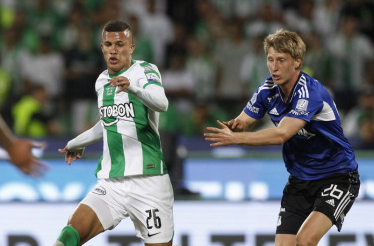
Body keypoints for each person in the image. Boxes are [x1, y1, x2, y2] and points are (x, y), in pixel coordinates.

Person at [204, 29, 360, 246]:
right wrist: (234, 127)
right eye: (270, 59)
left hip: (337, 176)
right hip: (299, 180)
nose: (273, 67)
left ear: (297, 62)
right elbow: (244, 121)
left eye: (281, 60)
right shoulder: (267, 90)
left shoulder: (310, 93)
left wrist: (237, 139)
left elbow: (282, 134)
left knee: (305, 240)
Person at [54, 20, 174, 246]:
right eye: (108, 44)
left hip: (149, 182)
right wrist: (77, 142)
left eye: (120, 44)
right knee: (70, 233)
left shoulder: (145, 71)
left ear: (131, 48)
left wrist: (133, 88)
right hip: (112, 182)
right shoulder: (102, 81)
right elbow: (109, 123)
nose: (114, 50)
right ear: (102, 48)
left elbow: (162, 103)